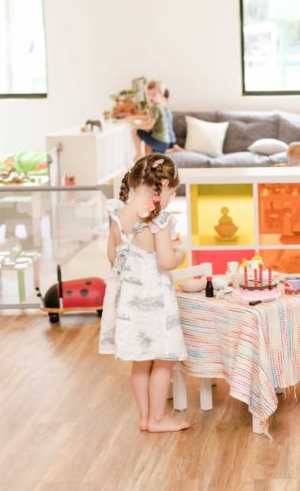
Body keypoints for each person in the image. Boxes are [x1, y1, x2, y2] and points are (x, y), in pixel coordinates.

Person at [99, 154, 189, 433]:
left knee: (140, 361)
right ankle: (158, 419)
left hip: (128, 304)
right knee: (163, 359)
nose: (172, 198)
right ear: (163, 185)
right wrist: (180, 255)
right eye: (172, 193)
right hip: (155, 301)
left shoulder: (118, 214)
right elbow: (166, 261)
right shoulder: (157, 219)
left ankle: (145, 417)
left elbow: (112, 256)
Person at [130, 81, 171, 158]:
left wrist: (135, 125)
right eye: (148, 94)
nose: (151, 97)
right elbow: (148, 117)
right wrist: (134, 118)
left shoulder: (155, 108)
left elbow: (149, 125)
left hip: (159, 142)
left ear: (160, 95)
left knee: (136, 130)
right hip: (165, 142)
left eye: (154, 94)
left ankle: (139, 154)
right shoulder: (159, 106)